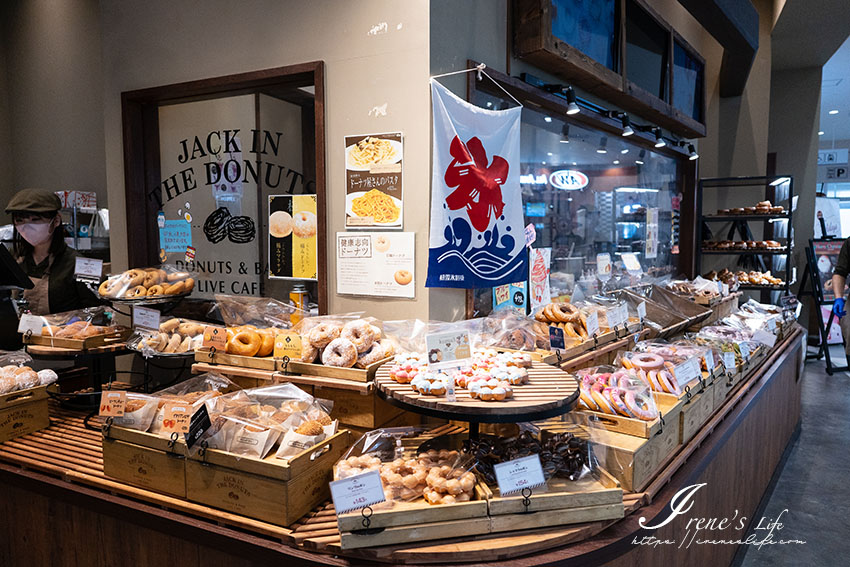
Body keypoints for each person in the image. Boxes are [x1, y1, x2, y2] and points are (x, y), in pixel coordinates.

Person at [5, 188, 100, 315]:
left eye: (35, 220)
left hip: (63, 334)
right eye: (20, 221)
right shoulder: (13, 260)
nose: (27, 227)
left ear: (56, 221)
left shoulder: (81, 264)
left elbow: (99, 312)